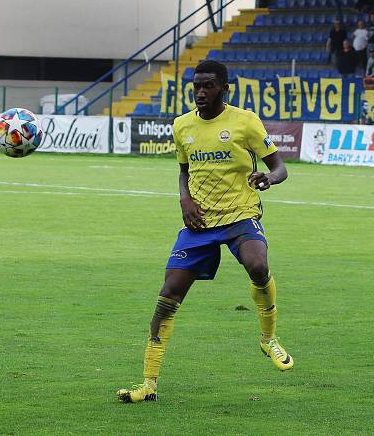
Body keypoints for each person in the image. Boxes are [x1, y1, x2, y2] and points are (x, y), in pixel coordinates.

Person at [117, 60, 292, 403]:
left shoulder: (245, 122)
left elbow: (280, 166)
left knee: (258, 265)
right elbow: (184, 171)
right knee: (168, 296)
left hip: (240, 214)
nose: (200, 92)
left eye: (208, 85)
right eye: (196, 86)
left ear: (225, 88)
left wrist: (267, 179)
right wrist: (184, 199)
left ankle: (268, 338)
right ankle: (148, 385)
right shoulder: (182, 125)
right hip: (200, 222)